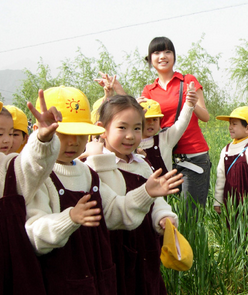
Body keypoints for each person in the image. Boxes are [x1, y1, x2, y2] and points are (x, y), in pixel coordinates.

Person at [25, 86, 183, 295]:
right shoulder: (41, 177)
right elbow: (35, 236)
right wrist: (70, 218)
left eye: (80, 134)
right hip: (60, 277)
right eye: (63, 134)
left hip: (98, 274)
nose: (73, 142)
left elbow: (114, 212)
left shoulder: (86, 173)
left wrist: (148, 194)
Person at [85, 94, 182, 295]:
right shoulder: (95, 165)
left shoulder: (142, 164)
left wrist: (164, 217)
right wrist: (147, 192)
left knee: (148, 284)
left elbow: (157, 201)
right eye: (122, 128)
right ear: (102, 129)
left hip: (146, 245)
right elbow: (111, 211)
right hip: (114, 248)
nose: (130, 135)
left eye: (137, 128)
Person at [0, 92, 61, 295]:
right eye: (0, 134)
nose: (7, 140)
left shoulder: (7, 168)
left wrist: (43, 139)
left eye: (11, 132)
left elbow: (32, 165)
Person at [142, 37, 210, 209]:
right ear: (150, 59)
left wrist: (192, 104)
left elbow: (205, 116)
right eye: (156, 52)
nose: (162, 56)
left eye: (167, 52)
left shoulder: (188, 81)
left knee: (191, 216)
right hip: (165, 158)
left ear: (174, 56)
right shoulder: (149, 90)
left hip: (194, 155)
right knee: (165, 212)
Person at [138, 84, 196, 176]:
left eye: (155, 119)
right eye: (146, 119)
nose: (151, 123)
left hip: (165, 189)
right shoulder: (131, 143)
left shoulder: (165, 139)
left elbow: (182, 122)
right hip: (140, 190)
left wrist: (189, 103)